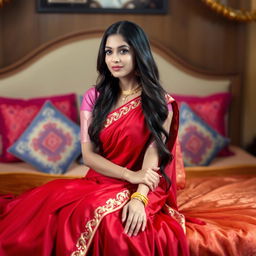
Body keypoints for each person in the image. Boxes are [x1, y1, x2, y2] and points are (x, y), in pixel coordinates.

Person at [0, 20, 189, 256]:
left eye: (123, 51)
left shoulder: (160, 103)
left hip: (145, 184)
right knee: (51, 206)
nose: (114, 59)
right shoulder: (94, 97)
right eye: (109, 52)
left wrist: (139, 199)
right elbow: (89, 156)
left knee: (118, 227)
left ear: (139, 53)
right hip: (102, 178)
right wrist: (128, 174)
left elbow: (153, 156)